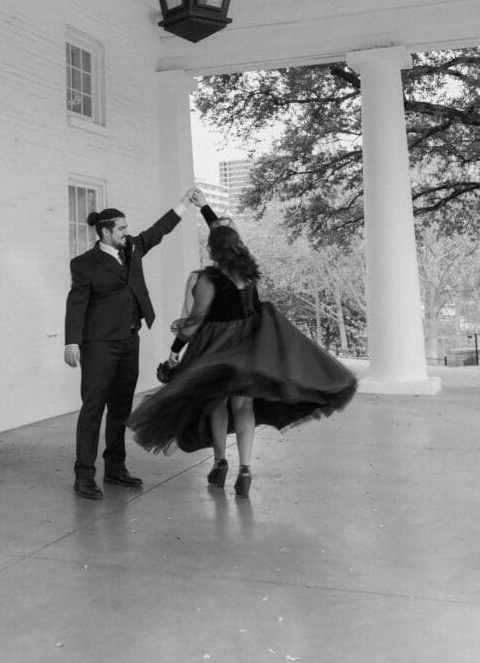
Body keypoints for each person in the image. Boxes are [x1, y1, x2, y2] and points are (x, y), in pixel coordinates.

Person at [129, 222, 358, 498]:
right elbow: (255, 311)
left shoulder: (208, 279)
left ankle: (219, 463)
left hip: (217, 352)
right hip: (250, 351)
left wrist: (174, 354)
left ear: (213, 249)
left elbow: (195, 321)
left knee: (216, 404)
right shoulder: (248, 274)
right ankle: (246, 469)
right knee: (243, 407)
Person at [64, 189, 199, 500]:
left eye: (127, 228)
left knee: (121, 408)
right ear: (106, 231)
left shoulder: (133, 248)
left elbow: (159, 231)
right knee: (93, 408)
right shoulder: (84, 264)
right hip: (98, 344)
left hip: (129, 339)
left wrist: (183, 204)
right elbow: (76, 304)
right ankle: (84, 475)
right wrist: (72, 341)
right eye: (122, 228)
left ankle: (115, 469)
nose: (128, 232)